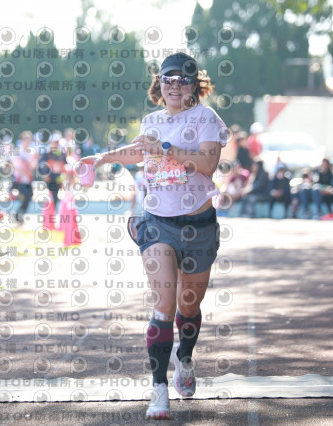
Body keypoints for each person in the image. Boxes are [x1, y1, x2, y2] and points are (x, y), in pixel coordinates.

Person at [78, 52, 226, 420]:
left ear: (194, 85)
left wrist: (167, 149)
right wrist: (102, 158)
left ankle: (184, 359)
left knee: (188, 307)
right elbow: (137, 151)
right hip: (159, 222)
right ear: (159, 83)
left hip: (199, 225)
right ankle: (159, 390)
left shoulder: (207, 119)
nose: (174, 85)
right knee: (163, 305)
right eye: (168, 79)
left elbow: (208, 164)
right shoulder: (152, 121)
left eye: (183, 79)